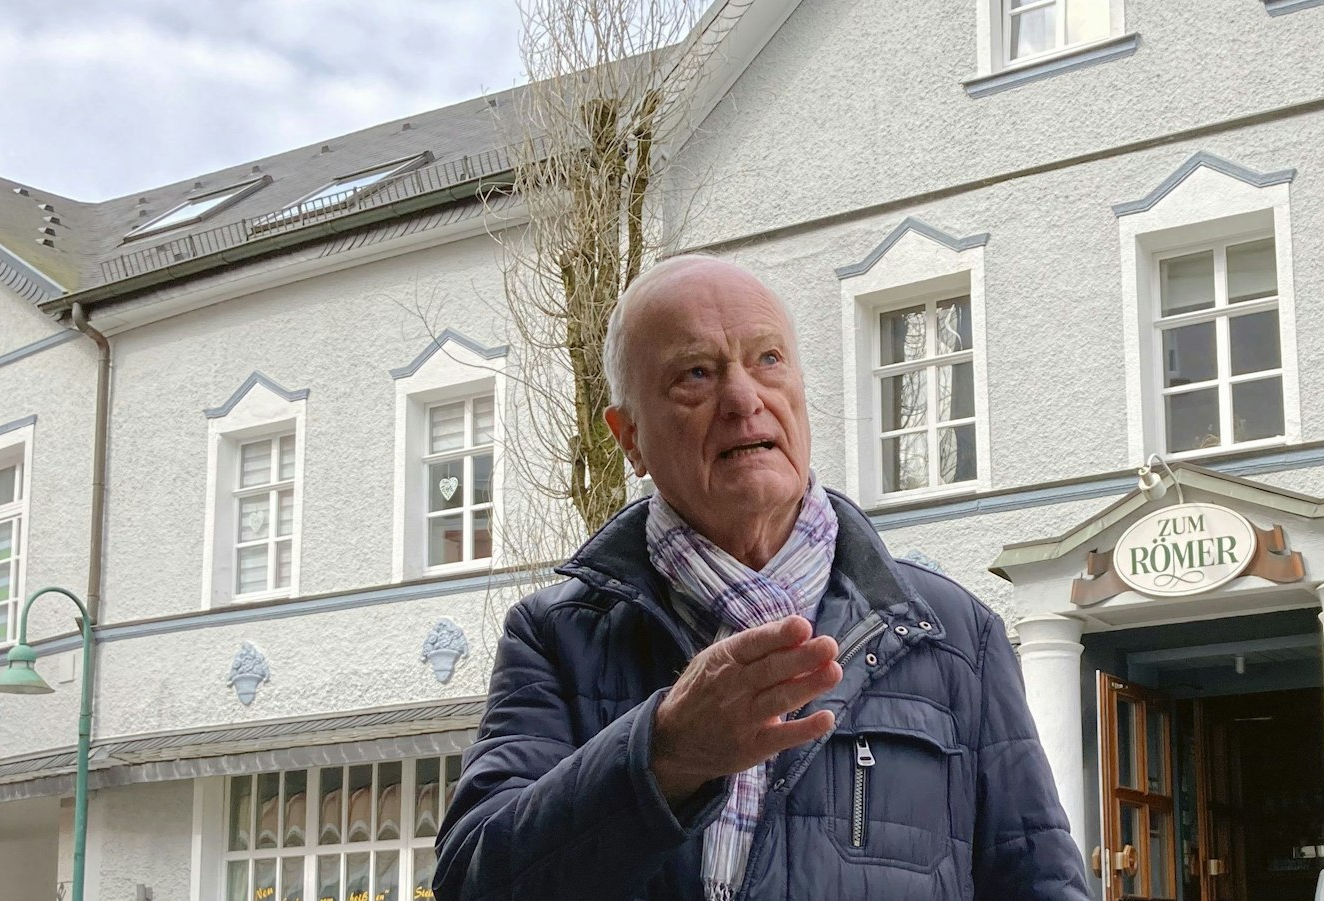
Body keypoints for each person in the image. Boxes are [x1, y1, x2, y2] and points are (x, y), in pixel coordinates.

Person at [434, 256, 1089, 900]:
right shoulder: (556, 636)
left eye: (768, 359)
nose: (745, 399)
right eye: (696, 373)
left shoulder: (954, 634)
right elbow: (473, 880)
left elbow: (1043, 884)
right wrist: (664, 754)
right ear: (629, 436)